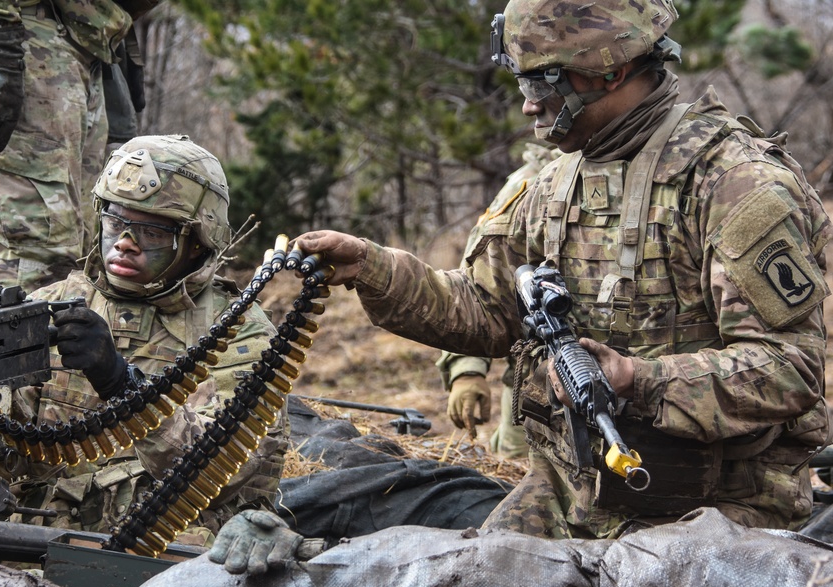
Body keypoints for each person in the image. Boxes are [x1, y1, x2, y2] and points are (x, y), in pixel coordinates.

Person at [283, 0, 832, 542]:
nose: (527, 107)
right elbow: (487, 311)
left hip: (721, 508)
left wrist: (636, 381)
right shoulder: (553, 185)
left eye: (539, 85)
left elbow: (791, 369)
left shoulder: (735, 185)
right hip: (573, 494)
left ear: (609, 72)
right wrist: (371, 266)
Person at [5, 134, 288, 546]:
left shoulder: (238, 330)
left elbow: (223, 470)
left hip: (168, 547)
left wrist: (124, 387)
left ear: (197, 243)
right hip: (39, 536)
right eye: (115, 222)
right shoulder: (54, 303)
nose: (124, 242)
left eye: (151, 233)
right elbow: (5, 444)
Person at [0, 0, 158, 307]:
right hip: (15, 33)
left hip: (78, 41)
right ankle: (17, 354)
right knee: (31, 267)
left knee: (82, 259)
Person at [438, 143, 558, 457]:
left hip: (643, 394)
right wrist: (467, 369)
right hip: (537, 387)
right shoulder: (530, 185)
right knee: (516, 478)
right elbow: (477, 289)